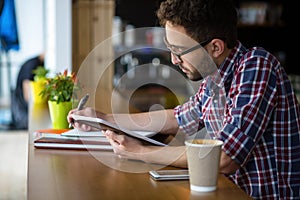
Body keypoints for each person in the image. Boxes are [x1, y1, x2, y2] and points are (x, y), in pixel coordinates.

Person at [68, 0, 300, 199]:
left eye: (179, 50)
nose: (173, 59)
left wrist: (139, 152)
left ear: (216, 47)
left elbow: (224, 158)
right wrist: (103, 118)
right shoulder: (214, 78)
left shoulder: (257, 66)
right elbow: (176, 117)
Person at [10, 54, 44, 129]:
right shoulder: (33, 64)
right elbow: (26, 87)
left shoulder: (36, 62)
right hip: (21, 104)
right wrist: (33, 108)